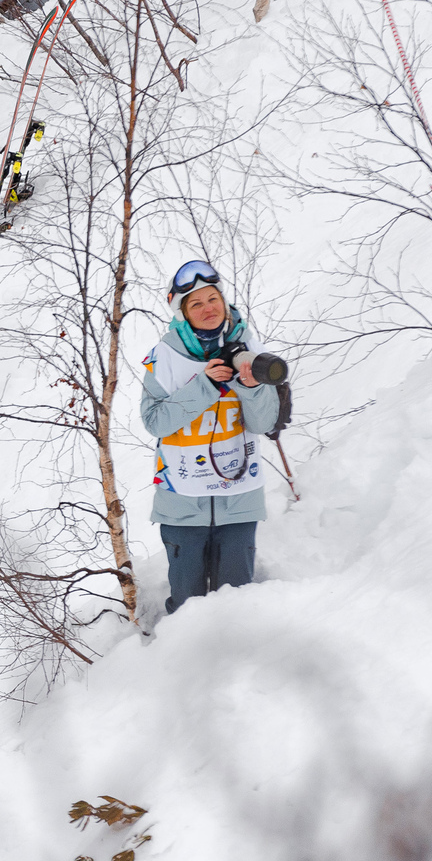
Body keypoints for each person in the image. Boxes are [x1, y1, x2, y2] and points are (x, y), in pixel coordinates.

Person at [140, 260, 283, 615]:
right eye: (196, 303)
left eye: (212, 298)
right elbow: (155, 422)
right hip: (182, 505)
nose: (208, 308)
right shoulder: (164, 358)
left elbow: (264, 422)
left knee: (237, 606)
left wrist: (251, 387)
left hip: (239, 502)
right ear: (183, 312)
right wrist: (204, 386)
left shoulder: (250, 349)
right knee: (186, 607)